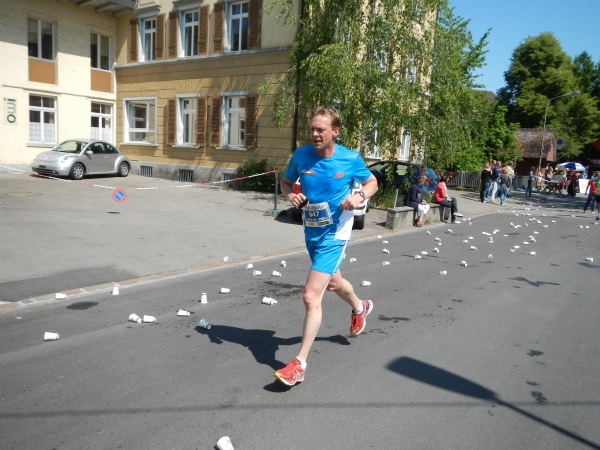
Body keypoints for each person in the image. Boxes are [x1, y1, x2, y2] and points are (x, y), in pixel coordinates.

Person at [275, 106, 378, 386]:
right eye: (312, 129)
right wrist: (290, 196)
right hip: (312, 229)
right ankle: (360, 306)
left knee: (311, 296)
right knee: (333, 282)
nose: (315, 134)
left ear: (335, 132)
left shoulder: (350, 158)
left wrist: (359, 197)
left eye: (320, 129)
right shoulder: (301, 155)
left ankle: (299, 364)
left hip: (336, 233)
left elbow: (372, 182)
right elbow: (286, 183)